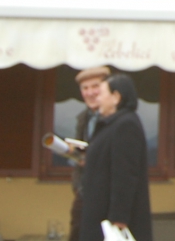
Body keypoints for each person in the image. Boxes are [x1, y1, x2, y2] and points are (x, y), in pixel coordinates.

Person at [80, 74, 153, 241]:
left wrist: (119, 217)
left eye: (101, 93)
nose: (97, 98)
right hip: (100, 212)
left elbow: (126, 174)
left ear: (116, 97)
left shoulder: (126, 125)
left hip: (111, 219)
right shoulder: (111, 124)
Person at [69, 66, 111, 241]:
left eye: (95, 86)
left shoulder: (118, 119)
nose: (90, 93)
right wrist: (75, 155)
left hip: (108, 195)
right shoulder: (83, 119)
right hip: (84, 192)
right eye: (85, 88)